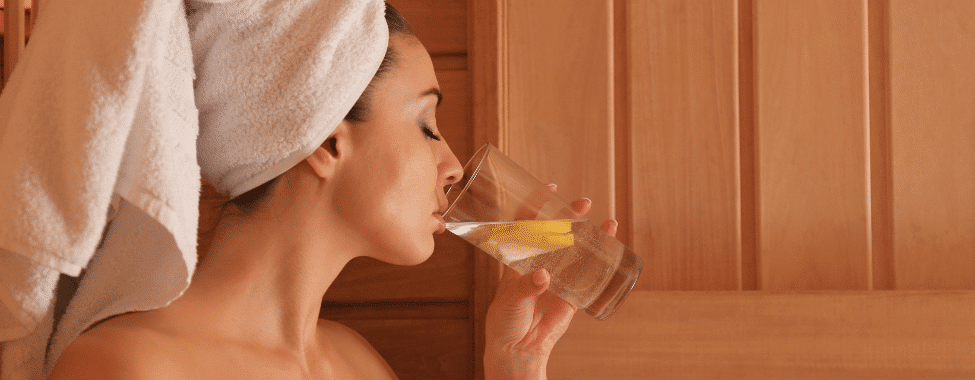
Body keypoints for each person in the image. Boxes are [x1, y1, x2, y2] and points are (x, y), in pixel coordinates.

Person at [46, 3, 617, 379]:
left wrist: (514, 368)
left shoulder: (356, 365)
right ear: (325, 141)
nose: (451, 166)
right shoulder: (126, 367)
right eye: (425, 125)